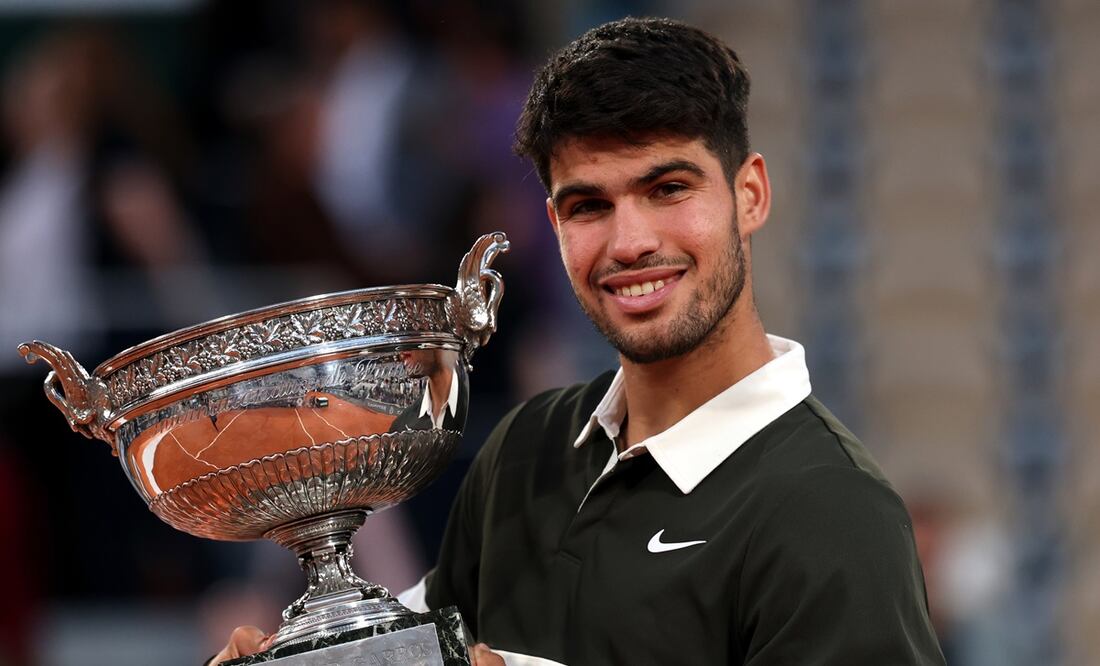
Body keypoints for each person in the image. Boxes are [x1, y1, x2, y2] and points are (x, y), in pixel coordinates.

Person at [214, 17, 945, 665]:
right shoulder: (526, 446)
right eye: (589, 205)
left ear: (749, 195)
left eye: (668, 189)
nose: (629, 242)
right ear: (555, 225)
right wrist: (312, 656)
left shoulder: (836, 515)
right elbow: (431, 648)